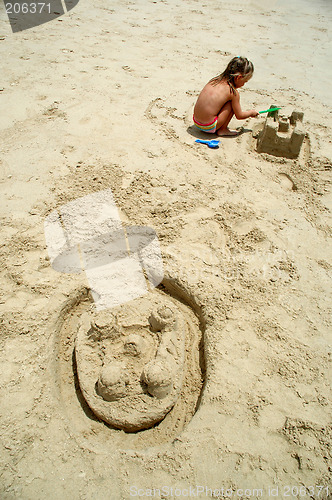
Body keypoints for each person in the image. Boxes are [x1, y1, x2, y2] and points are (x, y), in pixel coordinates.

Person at [193, 56, 259, 136]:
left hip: (196, 122)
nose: (243, 85)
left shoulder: (214, 80)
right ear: (238, 77)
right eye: (244, 82)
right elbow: (239, 115)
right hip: (208, 127)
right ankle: (223, 130)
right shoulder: (232, 92)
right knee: (231, 103)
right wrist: (251, 113)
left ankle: (219, 127)